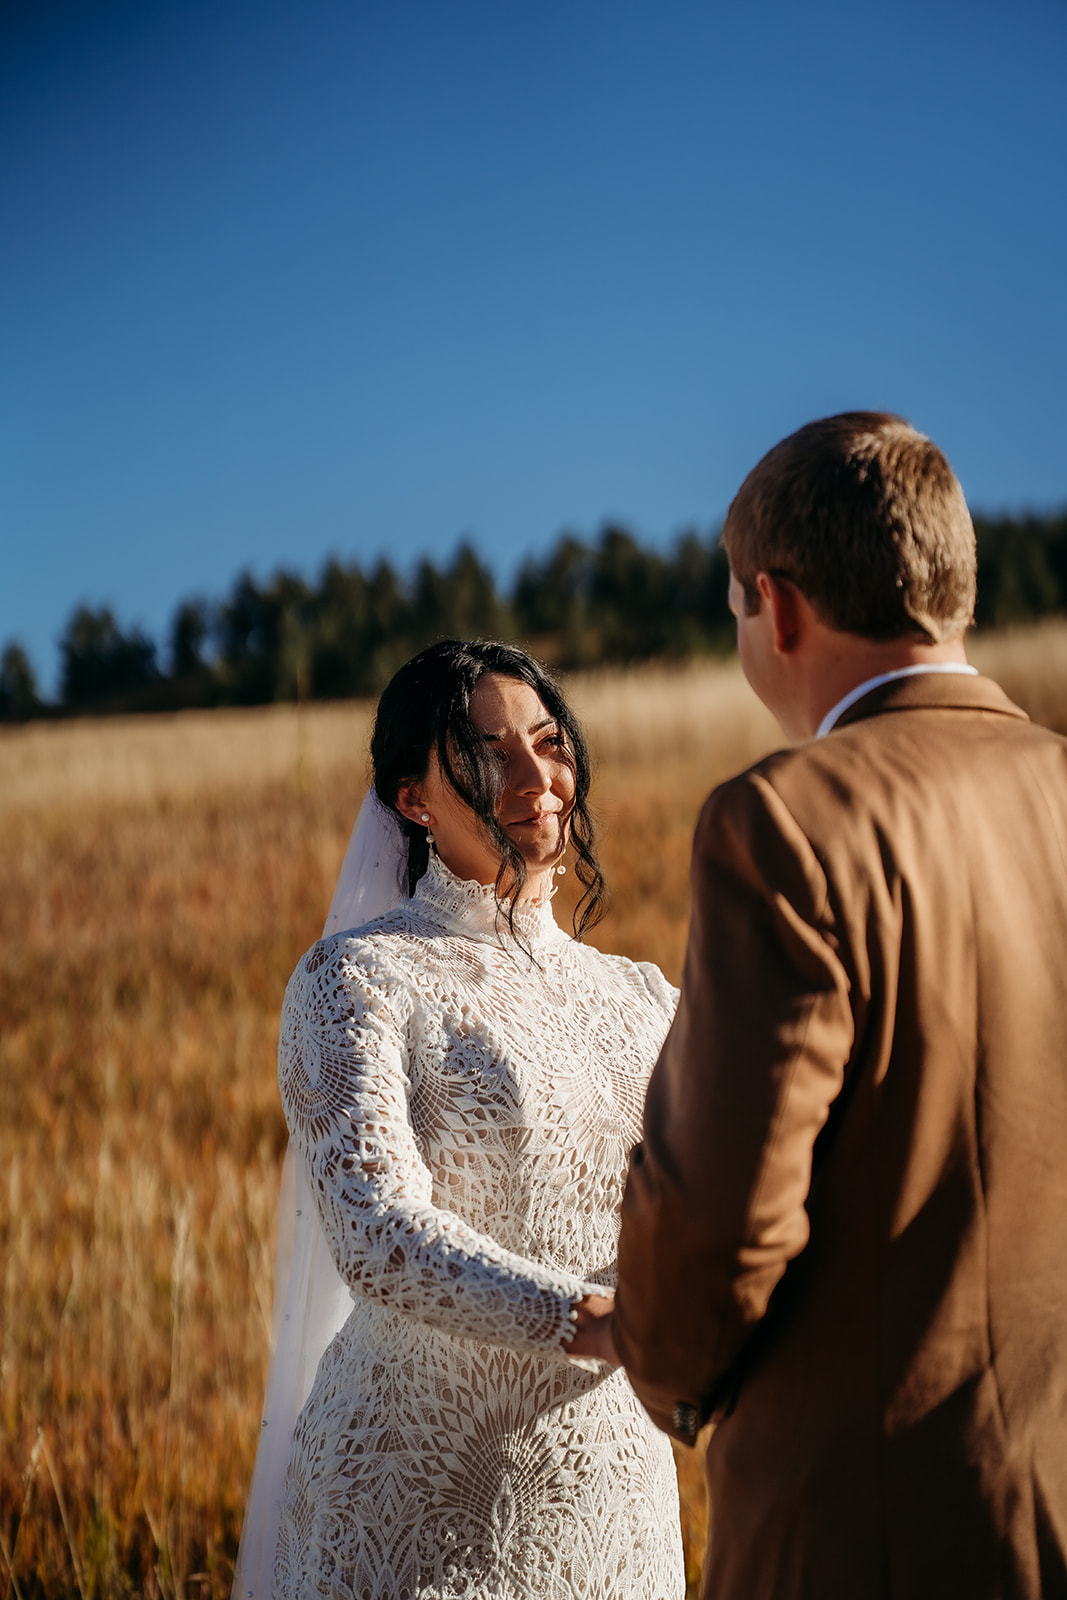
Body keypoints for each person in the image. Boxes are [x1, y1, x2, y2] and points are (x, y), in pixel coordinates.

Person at [613, 412, 1067, 1600]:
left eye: (729, 606)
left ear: (777, 606)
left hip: (869, 1528)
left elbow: (724, 1219)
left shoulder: (786, 823)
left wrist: (667, 1377)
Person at [233, 639, 685, 1600]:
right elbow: (378, 1235)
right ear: (411, 799)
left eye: (548, 741)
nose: (535, 778)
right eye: (487, 753)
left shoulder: (646, 999)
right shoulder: (356, 979)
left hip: (617, 1494)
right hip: (412, 1503)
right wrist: (593, 1320)